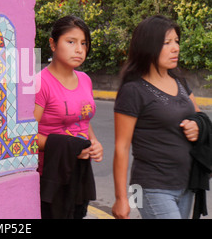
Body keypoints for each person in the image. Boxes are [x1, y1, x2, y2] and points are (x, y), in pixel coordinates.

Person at [112, 15, 201, 219]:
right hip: (149, 187)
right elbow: (121, 147)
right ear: (148, 45)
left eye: (176, 41)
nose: (175, 48)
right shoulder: (133, 90)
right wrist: (120, 198)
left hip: (185, 183)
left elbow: (198, 116)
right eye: (167, 42)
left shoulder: (178, 80)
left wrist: (197, 126)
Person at [34, 15, 103, 219]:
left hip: (79, 173)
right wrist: (72, 147)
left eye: (84, 43)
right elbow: (26, 136)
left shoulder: (85, 80)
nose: (79, 49)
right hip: (51, 177)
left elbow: (83, 119)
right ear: (53, 44)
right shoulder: (40, 84)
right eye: (71, 42)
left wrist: (94, 142)